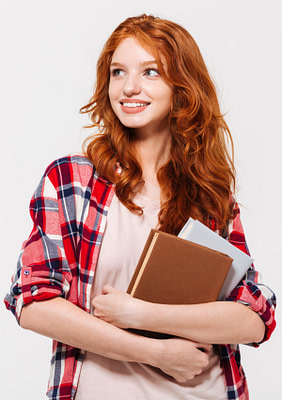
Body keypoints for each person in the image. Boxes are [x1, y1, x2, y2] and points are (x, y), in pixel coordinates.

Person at [4, 14, 276, 400]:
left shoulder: (209, 195)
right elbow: (33, 301)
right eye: (118, 72)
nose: (129, 87)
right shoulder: (73, 180)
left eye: (150, 72)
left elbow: (255, 317)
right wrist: (156, 352)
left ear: (182, 86)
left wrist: (141, 314)